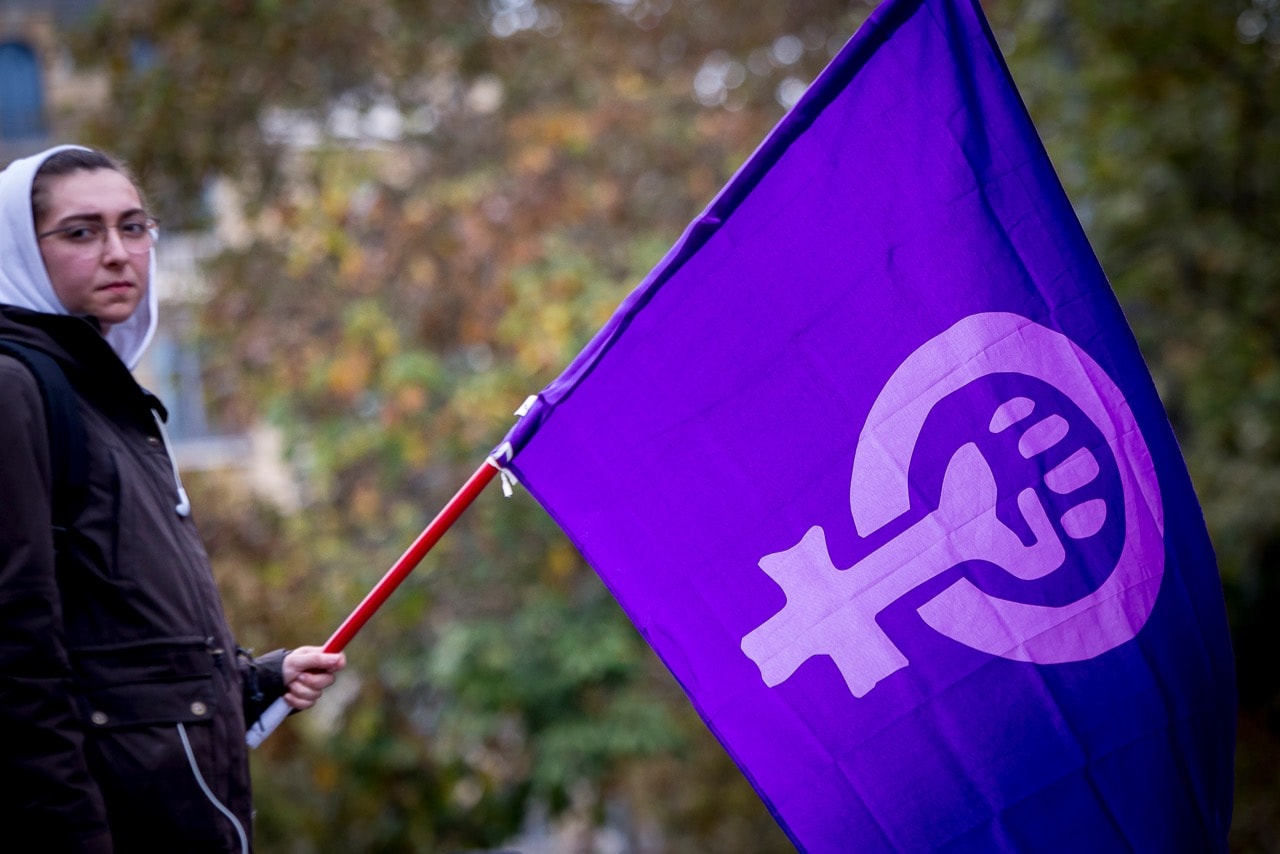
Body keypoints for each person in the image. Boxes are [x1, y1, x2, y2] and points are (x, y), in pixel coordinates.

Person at [0, 144, 345, 852]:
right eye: (81, 232)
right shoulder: (17, 389)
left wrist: (252, 683)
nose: (120, 253)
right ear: (19, 250)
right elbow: (16, 655)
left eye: (134, 226)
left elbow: (115, 631)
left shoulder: (102, 391)